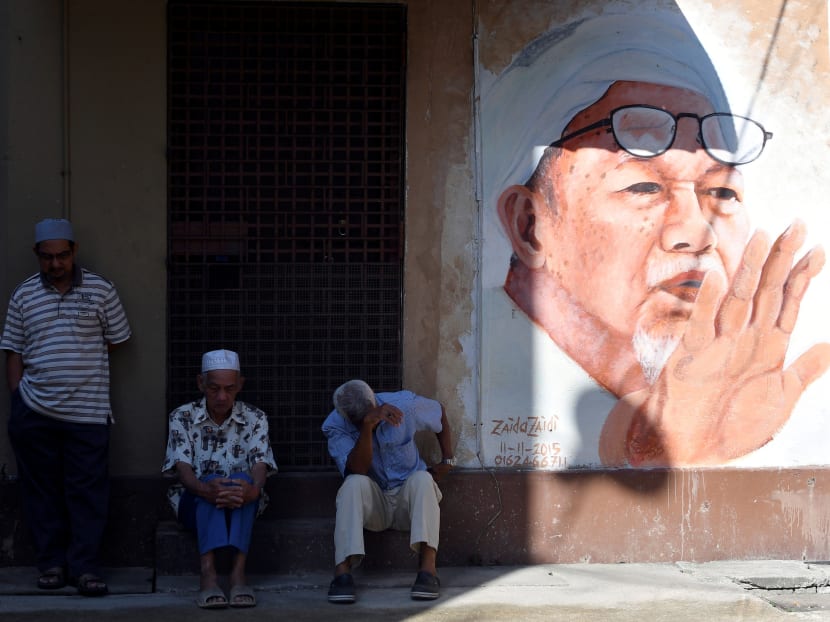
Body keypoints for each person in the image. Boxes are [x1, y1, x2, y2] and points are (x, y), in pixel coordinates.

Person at [486, 10, 830, 467]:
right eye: (644, 187)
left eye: (722, 192)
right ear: (531, 226)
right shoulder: (483, 365)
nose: (696, 232)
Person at [1, 218, 131, 596]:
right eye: (47, 257)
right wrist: (18, 399)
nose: (55, 264)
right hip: (33, 412)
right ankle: (52, 565)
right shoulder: (23, 295)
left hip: (87, 413)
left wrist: (76, 364)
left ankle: (86, 569)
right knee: (41, 492)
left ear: (74, 251)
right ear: (36, 255)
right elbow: (13, 350)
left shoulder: (101, 290)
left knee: (87, 493)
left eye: (62, 255)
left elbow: (117, 339)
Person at [162, 349, 277, 609]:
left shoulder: (255, 418)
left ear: (240, 386)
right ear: (201, 383)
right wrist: (204, 489)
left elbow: (260, 463)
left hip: (242, 500)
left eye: (229, 388)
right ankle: (208, 573)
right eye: (214, 388)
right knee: (213, 480)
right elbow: (183, 468)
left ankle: (238, 573)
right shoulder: (182, 416)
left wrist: (254, 488)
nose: (222, 396)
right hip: (194, 502)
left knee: (239, 481)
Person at [321, 379, 455, 603]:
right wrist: (366, 427)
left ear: (375, 400)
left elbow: (438, 412)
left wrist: (448, 460)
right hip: (375, 505)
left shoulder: (403, 404)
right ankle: (342, 574)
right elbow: (357, 470)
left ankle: (428, 571)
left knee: (423, 479)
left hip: (408, 500)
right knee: (352, 484)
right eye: (355, 421)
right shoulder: (335, 424)